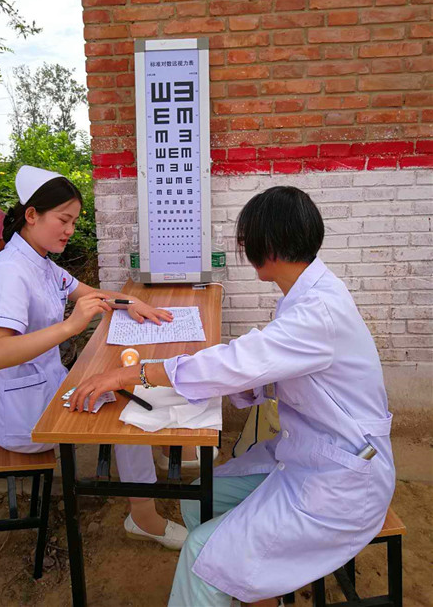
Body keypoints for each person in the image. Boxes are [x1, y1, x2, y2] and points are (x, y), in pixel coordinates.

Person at [69, 186, 395, 607]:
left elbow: (242, 361)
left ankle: (228, 578)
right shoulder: (308, 296)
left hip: (340, 482)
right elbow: (262, 367)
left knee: (200, 554)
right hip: (305, 456)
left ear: (268, 246)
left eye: (247, 240)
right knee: (198, 502)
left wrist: (136, 373)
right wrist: (208, 377)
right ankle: (256, 591)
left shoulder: (318, 312)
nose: (244, 249)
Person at [0, 165, 186, 550]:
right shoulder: (9, 271)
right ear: (31, 215)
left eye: (74, 221)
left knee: (117, 382)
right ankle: (144, 516)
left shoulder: (40, 262)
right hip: (26, 414)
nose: (70, 230)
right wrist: (71, 326)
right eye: (64, 220)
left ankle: (164, 457)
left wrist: (132, 303)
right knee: (126, 406)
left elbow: (90, 293)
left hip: (46, 384)